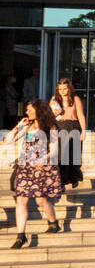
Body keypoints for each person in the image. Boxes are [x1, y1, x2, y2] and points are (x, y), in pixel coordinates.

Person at [5, 100, 63, 248]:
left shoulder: (50, 127)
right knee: (21, 201)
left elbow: (54, 150)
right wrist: (18, 127)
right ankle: (20, 236)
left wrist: (43, 159)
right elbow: (7, 141)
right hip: (25, 168)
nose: (27, 112)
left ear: (38, 110)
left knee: (40, 201)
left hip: (41, 169)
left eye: (29, 110)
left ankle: (53, 223)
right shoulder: (27, 126)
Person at [49, 78, 86, 188]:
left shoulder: (75, 99)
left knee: (72, 155)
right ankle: (62, 181)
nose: (62, 91)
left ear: (69, 88)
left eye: (65, 88)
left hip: (73, 126)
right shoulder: (54, 99)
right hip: (59, 126)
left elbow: (80, 115)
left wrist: (84, 131)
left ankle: (74, 177)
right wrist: (56, 113)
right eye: (60, 89)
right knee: (60, 155)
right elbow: (49, 116)